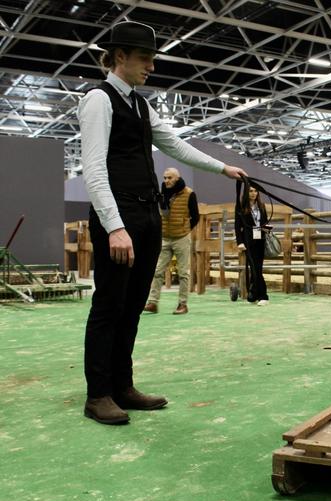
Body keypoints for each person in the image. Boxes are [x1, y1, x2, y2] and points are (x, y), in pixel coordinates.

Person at [78, 21, 247, 425]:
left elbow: (175, 144)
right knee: (109, 305)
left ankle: (123, 385)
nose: (151, 66)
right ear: (120, 57)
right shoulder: (98, 100)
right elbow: (94, 169)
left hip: (146, 215)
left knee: (134, 305)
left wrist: (223, 167)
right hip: (118, 216)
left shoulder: (140, 103)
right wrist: (114, 226)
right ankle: (97, 394)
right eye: (144, 58)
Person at [143, 167, 197, 315]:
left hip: (182, 237)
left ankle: (183, 304)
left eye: (169, 178)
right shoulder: (161, 194)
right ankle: (153, 303)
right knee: (157, 271)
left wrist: (184, 229)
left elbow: (196, 216)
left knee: (183, 273)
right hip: (165, 238)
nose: (166, 180)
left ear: (177, 179)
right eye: (165, 178)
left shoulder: (189, 194)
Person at [235, 184, 270, 305]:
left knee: (258, 268)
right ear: (246, 193)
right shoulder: (240, 206)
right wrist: (239, 242)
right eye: (250, 191)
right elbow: (237, 225)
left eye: (255, 191)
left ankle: (254, 294)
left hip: (261, 239)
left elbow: (264, 222)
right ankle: (263, 296)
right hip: (248, 240)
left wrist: (267, 230)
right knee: (254, 268)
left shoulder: (262, 206)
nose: (253, 193)